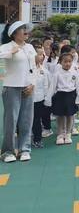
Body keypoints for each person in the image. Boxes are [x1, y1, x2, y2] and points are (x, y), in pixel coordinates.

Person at [0, 21, 36, 162]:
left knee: (26, 120)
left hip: (28, 87)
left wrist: (32, 84)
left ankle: (24, 149)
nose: (26, 31)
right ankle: (8, 152)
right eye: (22, 29)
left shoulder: (30, 47)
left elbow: (35, 67)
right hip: (11, 87)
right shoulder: (6, 46)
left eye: (26, 29)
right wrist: (11, 52)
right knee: (11, 120)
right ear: (14, 34)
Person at [45, 51, 79, 145]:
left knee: (70, 115)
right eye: (65, 61)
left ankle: (68, 133)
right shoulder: (57, 74)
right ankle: (60, 134)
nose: (67, 64)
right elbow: (52, 87)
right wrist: (48, 99)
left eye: (69, 61)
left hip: (71, 95)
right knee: (60, 115)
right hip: (60, 96)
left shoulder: (75, 73)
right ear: (60, 62)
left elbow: (78, 86)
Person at [32, 47, 51, 148]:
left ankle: (37, 139)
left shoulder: (44, 70)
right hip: (27, 98)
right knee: (24, 120)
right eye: (39, 54)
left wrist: (46, 99)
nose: (42, 56)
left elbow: (47, 86)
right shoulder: (27, 69)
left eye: (42, 54)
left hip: (39, 99)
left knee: (36, 119)